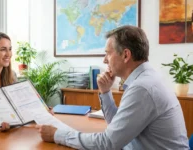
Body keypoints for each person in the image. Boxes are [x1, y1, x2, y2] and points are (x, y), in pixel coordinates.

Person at [36, 25, 189, 149]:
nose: (104, 60)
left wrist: (57, 135)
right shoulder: (145, 79)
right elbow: (118, 126)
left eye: (108, 54)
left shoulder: (142, 88)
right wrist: (105, 92)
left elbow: (108, 143)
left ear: (126, 55)